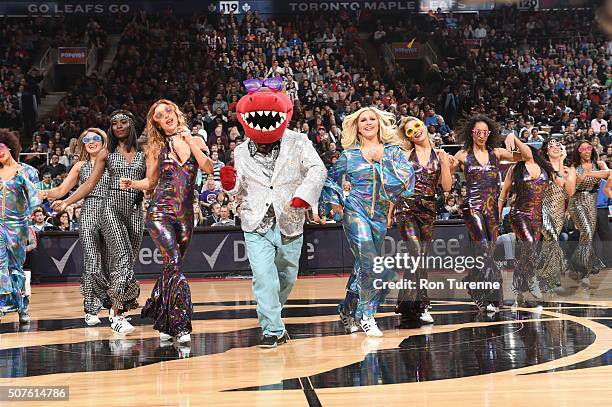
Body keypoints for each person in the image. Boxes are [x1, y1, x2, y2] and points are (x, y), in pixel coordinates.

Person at [221, 77, 327, 347]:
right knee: (263, 276)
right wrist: (231, 186)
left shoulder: (299, 141)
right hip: (255, 221)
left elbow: (317, 170)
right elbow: (241, 188)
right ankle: (272, 329)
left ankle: (271, 315)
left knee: (287, 276)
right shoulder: (241, 150)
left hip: (290, 218)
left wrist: (304, 195)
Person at [121, 99, 213, 344]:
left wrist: (191, 141)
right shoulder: (154, 148)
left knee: (171, 268)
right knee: (173, 263)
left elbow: (209, 167)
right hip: (160, 212)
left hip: (185, 214)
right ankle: (180, 323)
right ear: (157, 123)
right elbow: (150, 183)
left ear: (175, 112)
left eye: (168, 111)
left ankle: (162, 317)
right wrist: (132, 183)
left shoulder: (196, 140)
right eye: (159, 115)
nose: (165, 116)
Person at [323, 106, 415, 337]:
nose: (367, 123)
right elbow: (331, 180)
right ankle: (367, 316)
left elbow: (407, 183)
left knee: (363, 267)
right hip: (355, 212)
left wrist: (384, 160)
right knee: (373, 265)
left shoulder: (392, 152)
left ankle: (346, 310)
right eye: (362, 120)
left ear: (379, 123)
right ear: (357, 126)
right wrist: (335, 204)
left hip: (380, 217)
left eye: (371, 119)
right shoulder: (349, 155)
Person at [53, 110, 145, 334]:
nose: (119, 126)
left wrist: (137, 184)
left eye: (124, 122)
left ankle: (115, 305)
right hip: (110, 208)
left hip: (135, 210)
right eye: (114, 123)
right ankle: (115, 314)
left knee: (125, 264)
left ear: (132, 125)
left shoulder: (145, 151)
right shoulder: (107, 153)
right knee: (116, 259)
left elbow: (151, 180)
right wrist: (66, 202)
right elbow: (88, 185)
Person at [452, 114, 532, 312]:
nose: (481, 135)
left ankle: (474, 283)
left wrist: (514, 138)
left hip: (492, 209)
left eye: (485, 132)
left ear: (490, 133)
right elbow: (445, 177)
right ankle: (493, 295)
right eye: (478, 132)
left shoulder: (496, 152)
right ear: (471, 133)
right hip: (472, 207)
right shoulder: (462, 155)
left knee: (486, 252)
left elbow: (527, 156)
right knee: (484, 249)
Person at [41, 128, 111, 326]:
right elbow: (61, 190)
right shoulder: (80, 165)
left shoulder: (112, 161)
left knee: (111, 261)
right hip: (89, 211)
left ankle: (113, 305)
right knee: (91, 259)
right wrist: (41, 193)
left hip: (112, 212)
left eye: (95, 138)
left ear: (103, 141)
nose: (91, 142)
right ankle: (91, 308)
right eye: (86, 139)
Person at [387, 117, 452, 326]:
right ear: (407, 137)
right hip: (407, 208)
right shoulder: (405, 155)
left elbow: (447, 187)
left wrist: (445, 164)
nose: (415, 131)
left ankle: (409, 306)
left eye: (417, 126)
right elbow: (396, 187)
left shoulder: (440, 155)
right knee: (416, 253)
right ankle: (422, 305)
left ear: (424, 127)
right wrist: (390, 213)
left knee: (421, 258)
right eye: (409, 131)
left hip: (428, 210)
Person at [499, 146, 554, 305]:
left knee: (526, 252)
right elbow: (504, 194)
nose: (518, 154)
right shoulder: (515, 168)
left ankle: (518, 288)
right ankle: (532, 278)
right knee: (528, 244)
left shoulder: (544, 169)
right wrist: (497, 213)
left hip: (538, 216)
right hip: (519, 213)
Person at [0, 129, 41, 323]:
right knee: (0, 265)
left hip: (18, 226)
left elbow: (35, 200)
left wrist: (21, 177)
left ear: (9, 146)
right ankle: (2, 305)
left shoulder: (28, 171)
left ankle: (22, 307)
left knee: (16, 267)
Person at [535, 139, 576, 294]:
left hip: (559, 211)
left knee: (550, 242)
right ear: (546, 150)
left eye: (558, 145)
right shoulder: (542, 168)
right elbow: (558, 182)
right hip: (543, 208)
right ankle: (552, 276)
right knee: (552, 238)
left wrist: (569, 211)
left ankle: (544, 276)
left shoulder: (567, 169)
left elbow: (570, 193)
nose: (555, 147)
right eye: (551, 145)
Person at [568, 141, 609, 287]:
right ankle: (582, 270)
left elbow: (608, 173)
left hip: (592, 201)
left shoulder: (599, 164)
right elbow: (570, 190)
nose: (587, 151)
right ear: (578, 151)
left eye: (589, 148)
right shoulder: (573, 167)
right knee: (585, 232)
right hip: (577, 201)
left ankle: (576, 268)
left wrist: (589, 173)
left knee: (588, 236)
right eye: (583, 148)